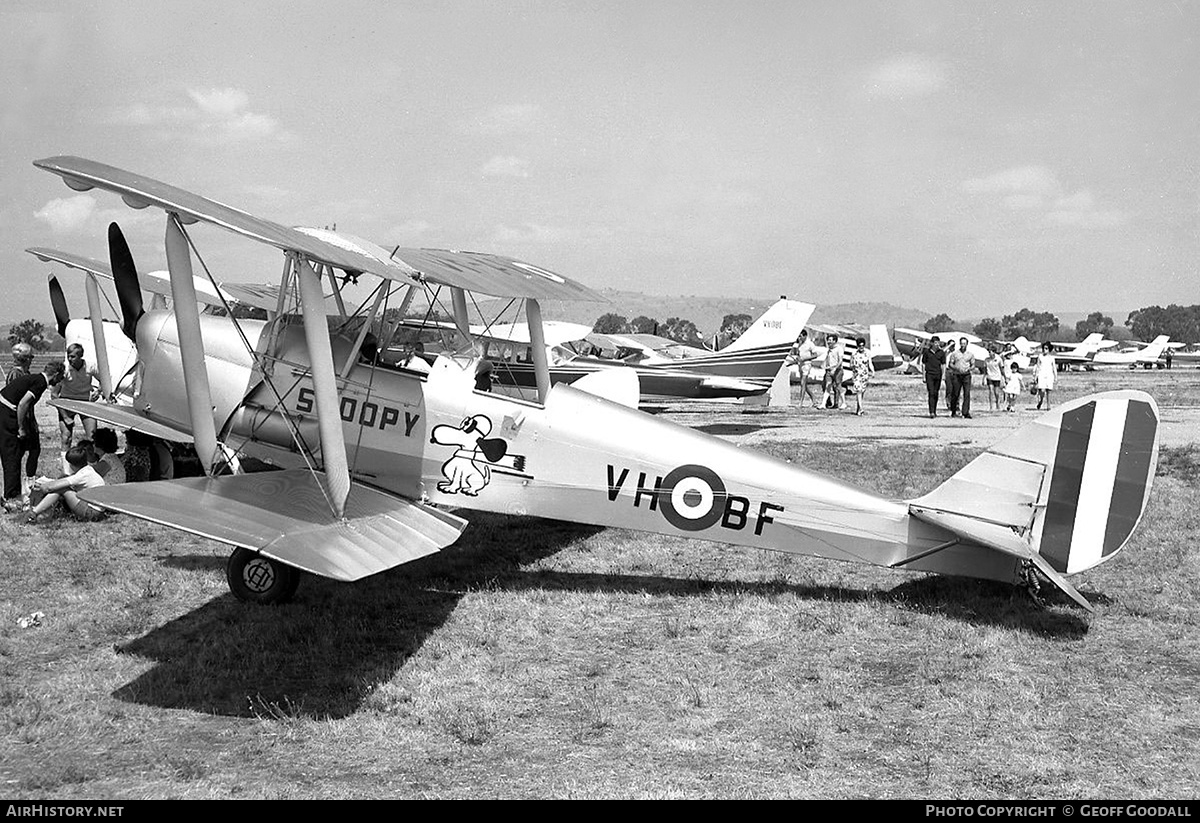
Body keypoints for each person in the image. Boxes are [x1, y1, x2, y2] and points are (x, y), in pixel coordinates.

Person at [2, 361, 66, 511]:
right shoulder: (40, 382)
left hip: (6, 411)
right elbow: (23, 404)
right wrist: (21, 427)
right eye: (61, 377)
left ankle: (12, 494)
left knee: (15, 453)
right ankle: (12, 498)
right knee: (12, 455)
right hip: (6, 414)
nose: (60, 381)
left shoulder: (36, 379)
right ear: (56, 374)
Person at [26, 445, 106, 523]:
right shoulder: (88, 470)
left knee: (61, 489)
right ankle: (38, 513)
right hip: (98, 510)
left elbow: (49, 488)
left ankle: (34, 512)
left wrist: (42, 485)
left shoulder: (81, 475)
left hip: (91, 512)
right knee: (61, 487)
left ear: (72, 465)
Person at [4, 343, 40, 500]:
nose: (32, 360)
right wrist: (21, 425)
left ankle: (29, 482)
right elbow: (19, 401)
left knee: (35, 450)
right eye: (30, 357)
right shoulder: (15, 375)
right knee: (17, 456)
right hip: (21, 421)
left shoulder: (25, 373)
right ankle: (16, 490)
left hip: (30, 419)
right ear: (24, 359)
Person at [53, 343, 99, 448]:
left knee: (92, 438)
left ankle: (91, 462)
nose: (69, 359)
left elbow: (104, 381)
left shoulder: (90, 366)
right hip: (67, 403)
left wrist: (99, 391)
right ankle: (66, 463)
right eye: (68, 356)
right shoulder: (64, 369)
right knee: (66, 437)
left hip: (85, 402)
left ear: (81, 356)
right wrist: (64, 416)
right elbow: (54, 395)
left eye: (73, 356)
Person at [787, 330, 820, 409]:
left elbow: (815, 355)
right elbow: (799, 355)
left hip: (807, 365)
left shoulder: (810, 344)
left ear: (805, 336)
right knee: (804, 384)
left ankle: (800, 403)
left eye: (801, 336)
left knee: (802, 382)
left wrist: (804, 359)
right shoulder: (800, 344)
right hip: (800, 365)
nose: (799, 338)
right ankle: (814, 399)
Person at [947, 337, 975, 418]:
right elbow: (950, 364)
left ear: (967, 344)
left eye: (964, 343)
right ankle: (954, 410)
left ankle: (965, 412)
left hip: (966, 375)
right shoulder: (955, 354)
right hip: (957, 375)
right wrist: (956, 368)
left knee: (967, 393)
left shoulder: (970, 354)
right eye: (961, 343)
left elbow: (973, 365)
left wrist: (969, 368)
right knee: (955, 393)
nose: (963, 345)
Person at [919, 336, 947, 418]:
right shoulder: (927, 352)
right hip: (929, 374)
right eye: (935, 343)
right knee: (931, 392)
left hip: (938, 374)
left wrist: (943, 374)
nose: (937, 344)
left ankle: (934, 410)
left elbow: (943, 364)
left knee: (936, 393)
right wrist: (923, 376)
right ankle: (931, 411)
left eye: (938, 342)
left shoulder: (941, 353)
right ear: (932, 343)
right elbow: (923, 364)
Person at [850, 336, 873, 416]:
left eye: (863, 345)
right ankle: (861, 408)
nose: (861, 347)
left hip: (864, 375)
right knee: (858, 391)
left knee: (862, 391)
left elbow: (870, 363)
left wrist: (872, 371)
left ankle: (858, 408)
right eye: (860, 346)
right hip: (857, 375)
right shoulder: (854, 354)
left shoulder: (868, 353)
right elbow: (851, 364)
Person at [820, 333, 844, 409]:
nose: (829, 342)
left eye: (830, 340)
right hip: (829, 370)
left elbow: (840, 361)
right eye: (828, 340)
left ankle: (842, 403)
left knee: (838, 387)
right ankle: (823, 404)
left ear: (835, 341)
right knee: (827, 386)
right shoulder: (829, 350)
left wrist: (835, 369)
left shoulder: (839, 349)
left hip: (837, 370)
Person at [1035, 341, 1056, 410]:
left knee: (1048, 391)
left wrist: (1055, 376)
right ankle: (1040, 401)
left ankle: (1048, 405)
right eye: (1044, 348)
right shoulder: (1040, 357)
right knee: (1042, 391)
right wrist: (1036, 376)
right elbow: (1038, 367)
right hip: (1041, 374)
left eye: (1046, 348)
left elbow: (1054, 367)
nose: (1044, 350)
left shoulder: (1052, 358)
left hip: (1049, 375)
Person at [984, 344, 1004, 411]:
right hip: (990, 377)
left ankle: (998, 404)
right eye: (989, 352)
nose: (989, 353)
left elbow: (1001, 368)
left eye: (990, 351)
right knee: (991, 391)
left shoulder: (998, 359)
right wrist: (984, 378)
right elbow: (985, 370)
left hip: (997, 377)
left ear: (994, 352)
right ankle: (991, 406)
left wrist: (1004, 377)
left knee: (996, 392)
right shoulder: (986, 360)